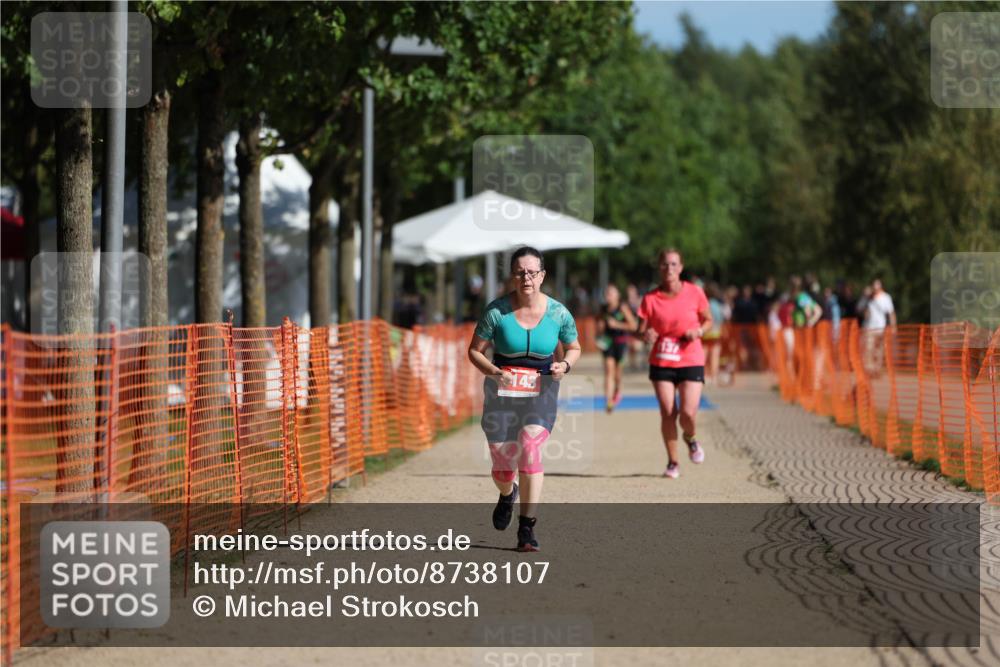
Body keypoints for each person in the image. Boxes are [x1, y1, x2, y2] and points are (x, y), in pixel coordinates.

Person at [467, 246, 581, 552]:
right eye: (520, 272)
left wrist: (564, 365)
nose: (526, 278)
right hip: (501, 391)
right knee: (503, 467)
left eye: (532, 272)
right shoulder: (497, 312)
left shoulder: (558, 313)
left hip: (542, 389)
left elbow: (574, 347)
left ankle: (526, 528)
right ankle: (508, 493)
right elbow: (474, 351)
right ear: (513, 276)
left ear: (542, 276)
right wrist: (493, 372)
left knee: (530, 447)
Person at [636, 248, 712, 479]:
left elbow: (709, 320)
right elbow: (641, 329)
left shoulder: (695, 292)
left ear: (681, 267)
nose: (669, 268)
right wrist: (646, 334)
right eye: (665, 264)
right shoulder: (650, 298)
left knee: (687, 414)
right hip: (662, 360)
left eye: (673, 264)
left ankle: (690, 438)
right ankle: (673, 462)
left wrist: (698, 331)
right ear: (659, 268)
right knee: (668, 412)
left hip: (690, 357)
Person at [596, 284, 637, 412]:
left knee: (617, 375)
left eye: (611, 293)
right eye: (607, 293)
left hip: (621, 343)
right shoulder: (603, 309)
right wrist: (599, 334)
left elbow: (633, 326)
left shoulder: (622, 307)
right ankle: (608, 401)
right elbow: (599, 327)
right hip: (608, 344)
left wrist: (617, 324)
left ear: (617, 295)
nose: (608, 296)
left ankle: (617, 390)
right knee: (609, 371)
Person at [862, 278, 896, 373]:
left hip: (881, 328)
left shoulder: (886, 297)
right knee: (869, 349)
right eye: (874, 286)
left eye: (877, 286)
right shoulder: (868, 298)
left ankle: (877, 369)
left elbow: (891, 312)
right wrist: (865, 297)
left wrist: (893, 326)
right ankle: (869, 369)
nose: (875, 288)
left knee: (879, 350)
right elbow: (861, 311)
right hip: (869, 328)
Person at [703, 283, 727, 385]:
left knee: (703, 355)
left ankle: (703, 375)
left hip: (705, 333)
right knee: (715, 355)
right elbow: (721, 319)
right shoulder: (717, 305)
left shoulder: (704, 304)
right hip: (716, 333)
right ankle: (713, 377)